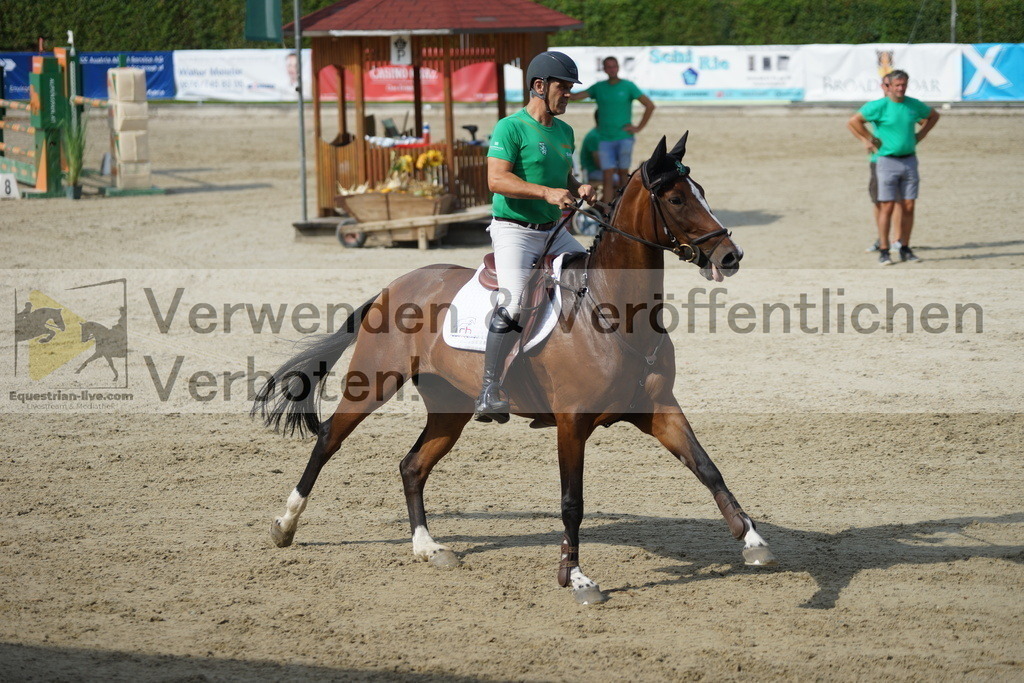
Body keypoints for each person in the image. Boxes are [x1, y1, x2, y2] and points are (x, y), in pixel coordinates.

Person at [475, 50, 597, 424]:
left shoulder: (565, 131)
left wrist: (579, 188)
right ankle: (489, 389)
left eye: (572, 88)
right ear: (540, 86)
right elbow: (497, 180)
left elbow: (562, 178)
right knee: (513, 304)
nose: (569, 95)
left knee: (593, 281)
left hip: (554, 232)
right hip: (515, 231)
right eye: (564, 87)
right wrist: (546, 193)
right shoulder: (510, 127)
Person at [848, 70, 940, 265]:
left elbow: (932, 116)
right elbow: (853, 121)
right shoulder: (878, 106)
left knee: (908, 205)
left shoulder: (913, 105)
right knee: (885, 206)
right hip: (885, 161)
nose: (901, 88)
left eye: (904, 84)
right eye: (897, 85)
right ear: (887, 86)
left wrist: (922, 134)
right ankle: (883, 247)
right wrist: (867, 139)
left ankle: (904, 246)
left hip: (909, 160)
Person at [569, 56, 655, 203]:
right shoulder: (599, 87)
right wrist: (561, 86)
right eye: (608, 67)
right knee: (607, 176)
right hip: (604, 138)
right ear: (604, 69)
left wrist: (639, 127)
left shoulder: (628, 86)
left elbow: (649, 105)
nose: (612, 69)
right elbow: (576, 96)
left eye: (614, 66)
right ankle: (608, 210)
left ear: (618, 67)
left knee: (623, 174)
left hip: (624, 137)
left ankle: (623, 206)